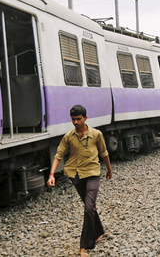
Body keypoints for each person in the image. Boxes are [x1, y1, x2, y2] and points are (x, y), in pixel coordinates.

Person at [47, 105, 113, 257]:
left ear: (85, 118)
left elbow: (104, 153)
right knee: (89, 206)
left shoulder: (96, 134)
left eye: (78, 119)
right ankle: (99, 232)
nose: (75, 122)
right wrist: (51, 174)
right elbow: (59, 155)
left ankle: (84, 246)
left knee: (89, 207)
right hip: (75, 175)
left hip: (93, 173)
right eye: (73, 119)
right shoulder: (68, 137)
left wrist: (109, 169)